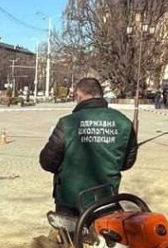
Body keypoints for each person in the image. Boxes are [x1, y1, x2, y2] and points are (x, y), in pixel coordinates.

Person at [39, 77, 138, 215]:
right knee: (104, 235)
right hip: (106, 199)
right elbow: (127, 163)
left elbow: (47, 162)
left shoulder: (68, 123)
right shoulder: (124, 123)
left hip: (70, 199)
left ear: (79, 95)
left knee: (67, 234)